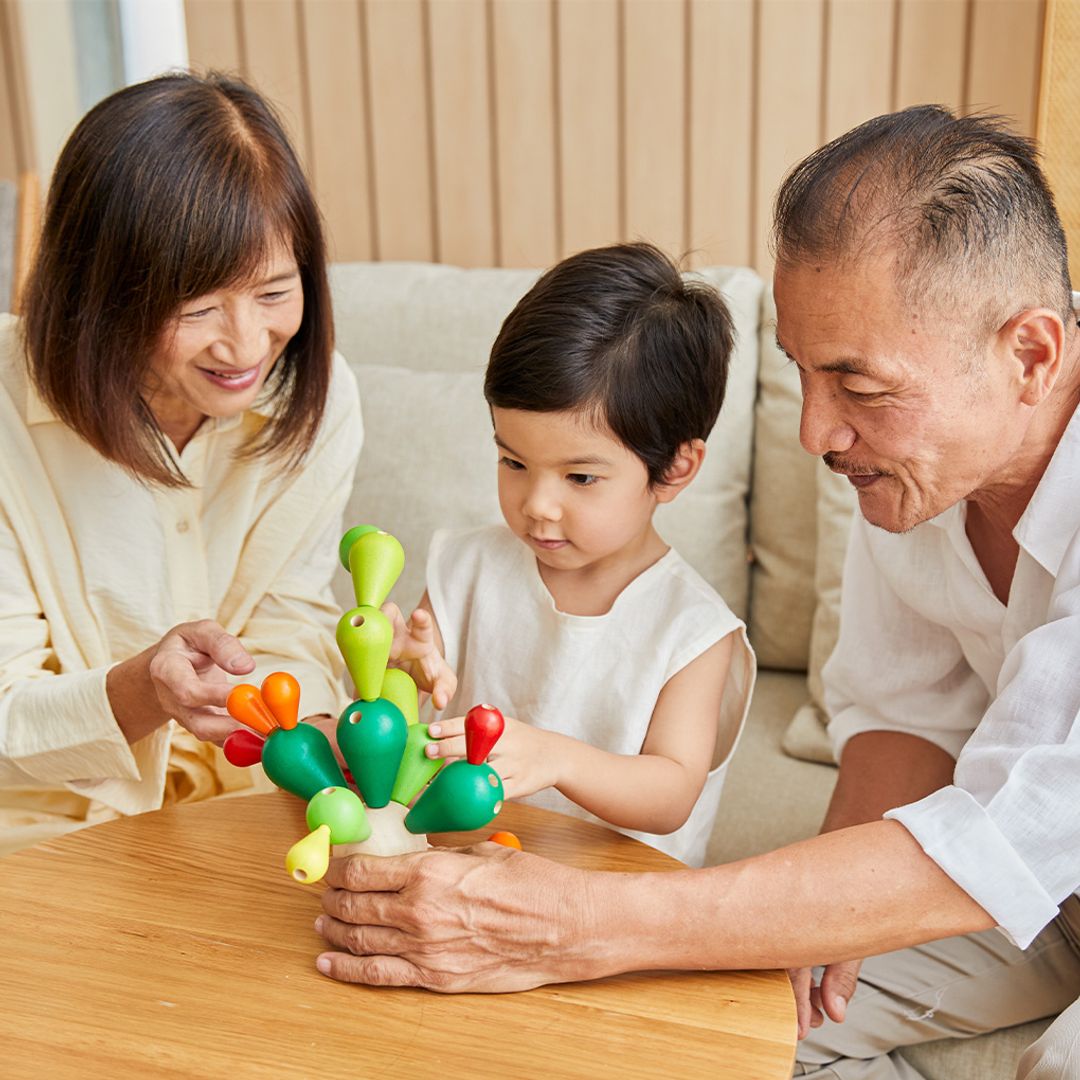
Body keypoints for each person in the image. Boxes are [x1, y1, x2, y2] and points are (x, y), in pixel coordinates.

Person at [312, 106, 1080, 1079]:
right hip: (1012, 897)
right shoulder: (907, 472)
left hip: (1018, 861)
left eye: (860, 385)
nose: (817, 435)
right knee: (713, 1033)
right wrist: (820, 919)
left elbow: (1020, 826)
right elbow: (903, 716)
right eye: (804, 374)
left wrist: (583, 921)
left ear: (1031, 353)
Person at [0, 72, 361, 856]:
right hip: (38, 829)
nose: (244, 346)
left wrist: (319, 721)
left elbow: (289, 615)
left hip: (246, 807)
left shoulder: (319, 400)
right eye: (198, 308)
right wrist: (143, 692)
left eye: (274, 291)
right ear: (100, 294)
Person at [386, 243, 754, 866]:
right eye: (513, 462)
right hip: (456, 877)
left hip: (606, 909)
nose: (538, 505)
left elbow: (671, 794)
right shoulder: (465, 568)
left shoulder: (693, 630)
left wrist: (555, 756)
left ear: (675, 467)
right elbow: (406, 729)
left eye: (580, 478)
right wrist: (400, 675)